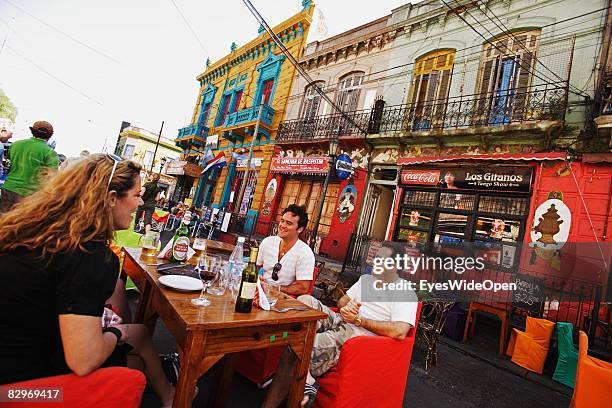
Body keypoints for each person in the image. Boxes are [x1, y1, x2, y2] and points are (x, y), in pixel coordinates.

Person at [0, 154, 175, 407]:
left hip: (21, 353)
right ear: (112, 198)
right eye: (136, 195)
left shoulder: (38, 228)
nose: (140, 204)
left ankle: (169, 395)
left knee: (139, 334)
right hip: (17, 392)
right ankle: (170, 393)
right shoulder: (90, 255)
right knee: (134, 373)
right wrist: (117, 331)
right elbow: (82, 360)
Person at [262, 243, 418, 408]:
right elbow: (342, 301)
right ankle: (305, 376)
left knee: (297, 344)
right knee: (303, 301)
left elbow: (400, 331)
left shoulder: (404, 292)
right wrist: (348, 306)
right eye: (376, 258)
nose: (374, 262)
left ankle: (278, 397)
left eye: (381, 259)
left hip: (357, 338)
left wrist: (360, 320)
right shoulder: (366, 280)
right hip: (342, 321)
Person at [0, 121, 59, 213]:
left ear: (33, 131)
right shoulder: (50, 153)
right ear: (50, 136)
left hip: (8, 188)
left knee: (2, 219)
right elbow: (52, 177)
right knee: (18, 223)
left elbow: (8, 164)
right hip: (29, 195)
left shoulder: (16, 144)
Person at [257, 204, 315, 296]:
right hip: (259, 291)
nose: (282, 225)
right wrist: (257, 277)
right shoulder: (267, 242)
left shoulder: (305, 253)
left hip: (283, 297)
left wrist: (277, 288)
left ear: (300, 229)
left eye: (289, 223)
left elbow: (303, 287)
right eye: (282, 221)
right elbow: (255, 267)